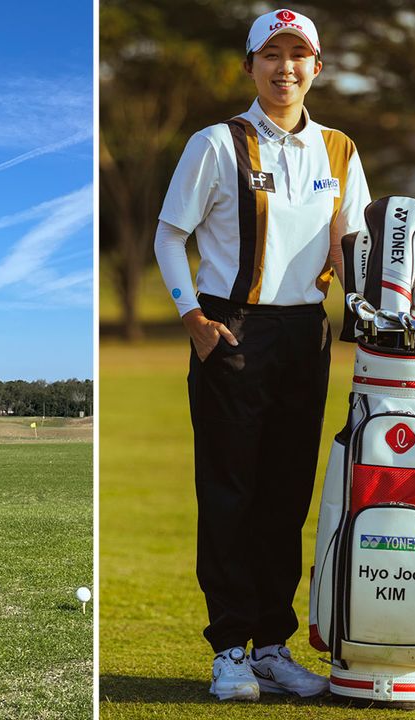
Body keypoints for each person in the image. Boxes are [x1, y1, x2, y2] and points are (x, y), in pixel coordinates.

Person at [155, 8, 370, 701]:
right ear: (249, 66)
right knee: (229, 492)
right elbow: (169, 237)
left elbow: (357, 241)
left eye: (298, 55)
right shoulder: (217, 144)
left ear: (316, 66)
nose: (286, 69)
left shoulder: (339, 149)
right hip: (231, 330)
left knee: (286, 494)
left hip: (306, 336)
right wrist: (192, 316)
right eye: (272, 55)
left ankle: (273, 646)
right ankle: (229, 651)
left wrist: (356, 268)